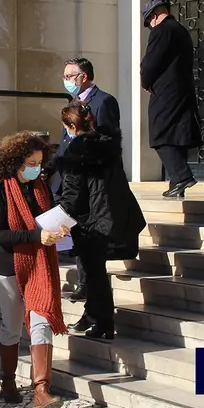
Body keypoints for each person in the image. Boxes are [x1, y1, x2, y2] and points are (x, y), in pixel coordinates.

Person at [0, 131, 69, 408]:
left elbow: (46, 221)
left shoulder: (42, 189)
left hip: (38, 266)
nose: (38, 168)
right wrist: (37, 236)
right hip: (7, 268)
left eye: (39, 162)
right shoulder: (0, 192)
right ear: (15, 163)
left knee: (41, 321)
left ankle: (41, 389)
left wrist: (58, 230)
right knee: (11, 327)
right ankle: (8, 381)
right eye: (32, 163)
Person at [56, 102, 146, 339]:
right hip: (111, 215)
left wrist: (57, 217)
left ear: (72, 125)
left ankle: (102, 322)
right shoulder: (108, 145)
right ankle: (93, 314)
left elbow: (73, 195)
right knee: (95, 271)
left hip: (92, 221)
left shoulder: (77, 151)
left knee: (93, 273)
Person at [54, 57, 121, 304]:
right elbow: (66, 142)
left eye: (70, 76)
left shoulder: (104, 102)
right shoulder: (72, 103)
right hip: (70, 176)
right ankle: (84, 284)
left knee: (89, 240)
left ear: (83, 77)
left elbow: (108, 140)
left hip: (92, 181)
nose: (66, 81)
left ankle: (88, 288)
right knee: (77, 234)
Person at [140, 0, 204, 198]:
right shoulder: (181, 30)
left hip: (165, 91)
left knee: (160, 133)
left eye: (149, 21)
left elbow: (151, 62)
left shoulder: (162, 31)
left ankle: (182, 176)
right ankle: (177, 182)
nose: (150, 26)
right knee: (177, 135)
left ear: (155, 15)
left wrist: (145, 82)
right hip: (182, 90)